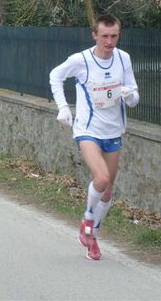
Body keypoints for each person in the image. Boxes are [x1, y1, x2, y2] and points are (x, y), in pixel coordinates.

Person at [49, 14, 139, 261]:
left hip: (114, 131)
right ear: (95, 36)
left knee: (108, 192)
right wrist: (63, 107)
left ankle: (93, 237)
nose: (110, 42)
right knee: (101, 178)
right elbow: (55, 75)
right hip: (87, 130)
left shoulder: (123, 59)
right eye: (105, 36)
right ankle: (87, 219)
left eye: (114, 36)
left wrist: (129, 96)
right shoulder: (82, 60)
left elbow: (134, 93)